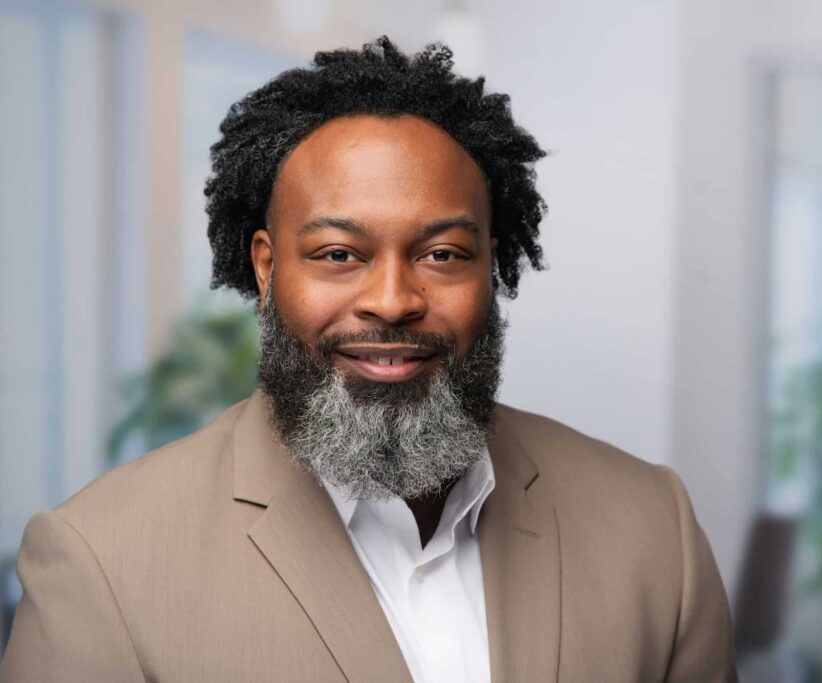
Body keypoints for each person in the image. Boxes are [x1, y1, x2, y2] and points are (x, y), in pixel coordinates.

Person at [0, 37, 737, 682]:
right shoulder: (100, 561)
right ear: (265, 268)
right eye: (338, 254)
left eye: (443, 253)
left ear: (493, 266)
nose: (391, 299)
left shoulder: (652, 530)